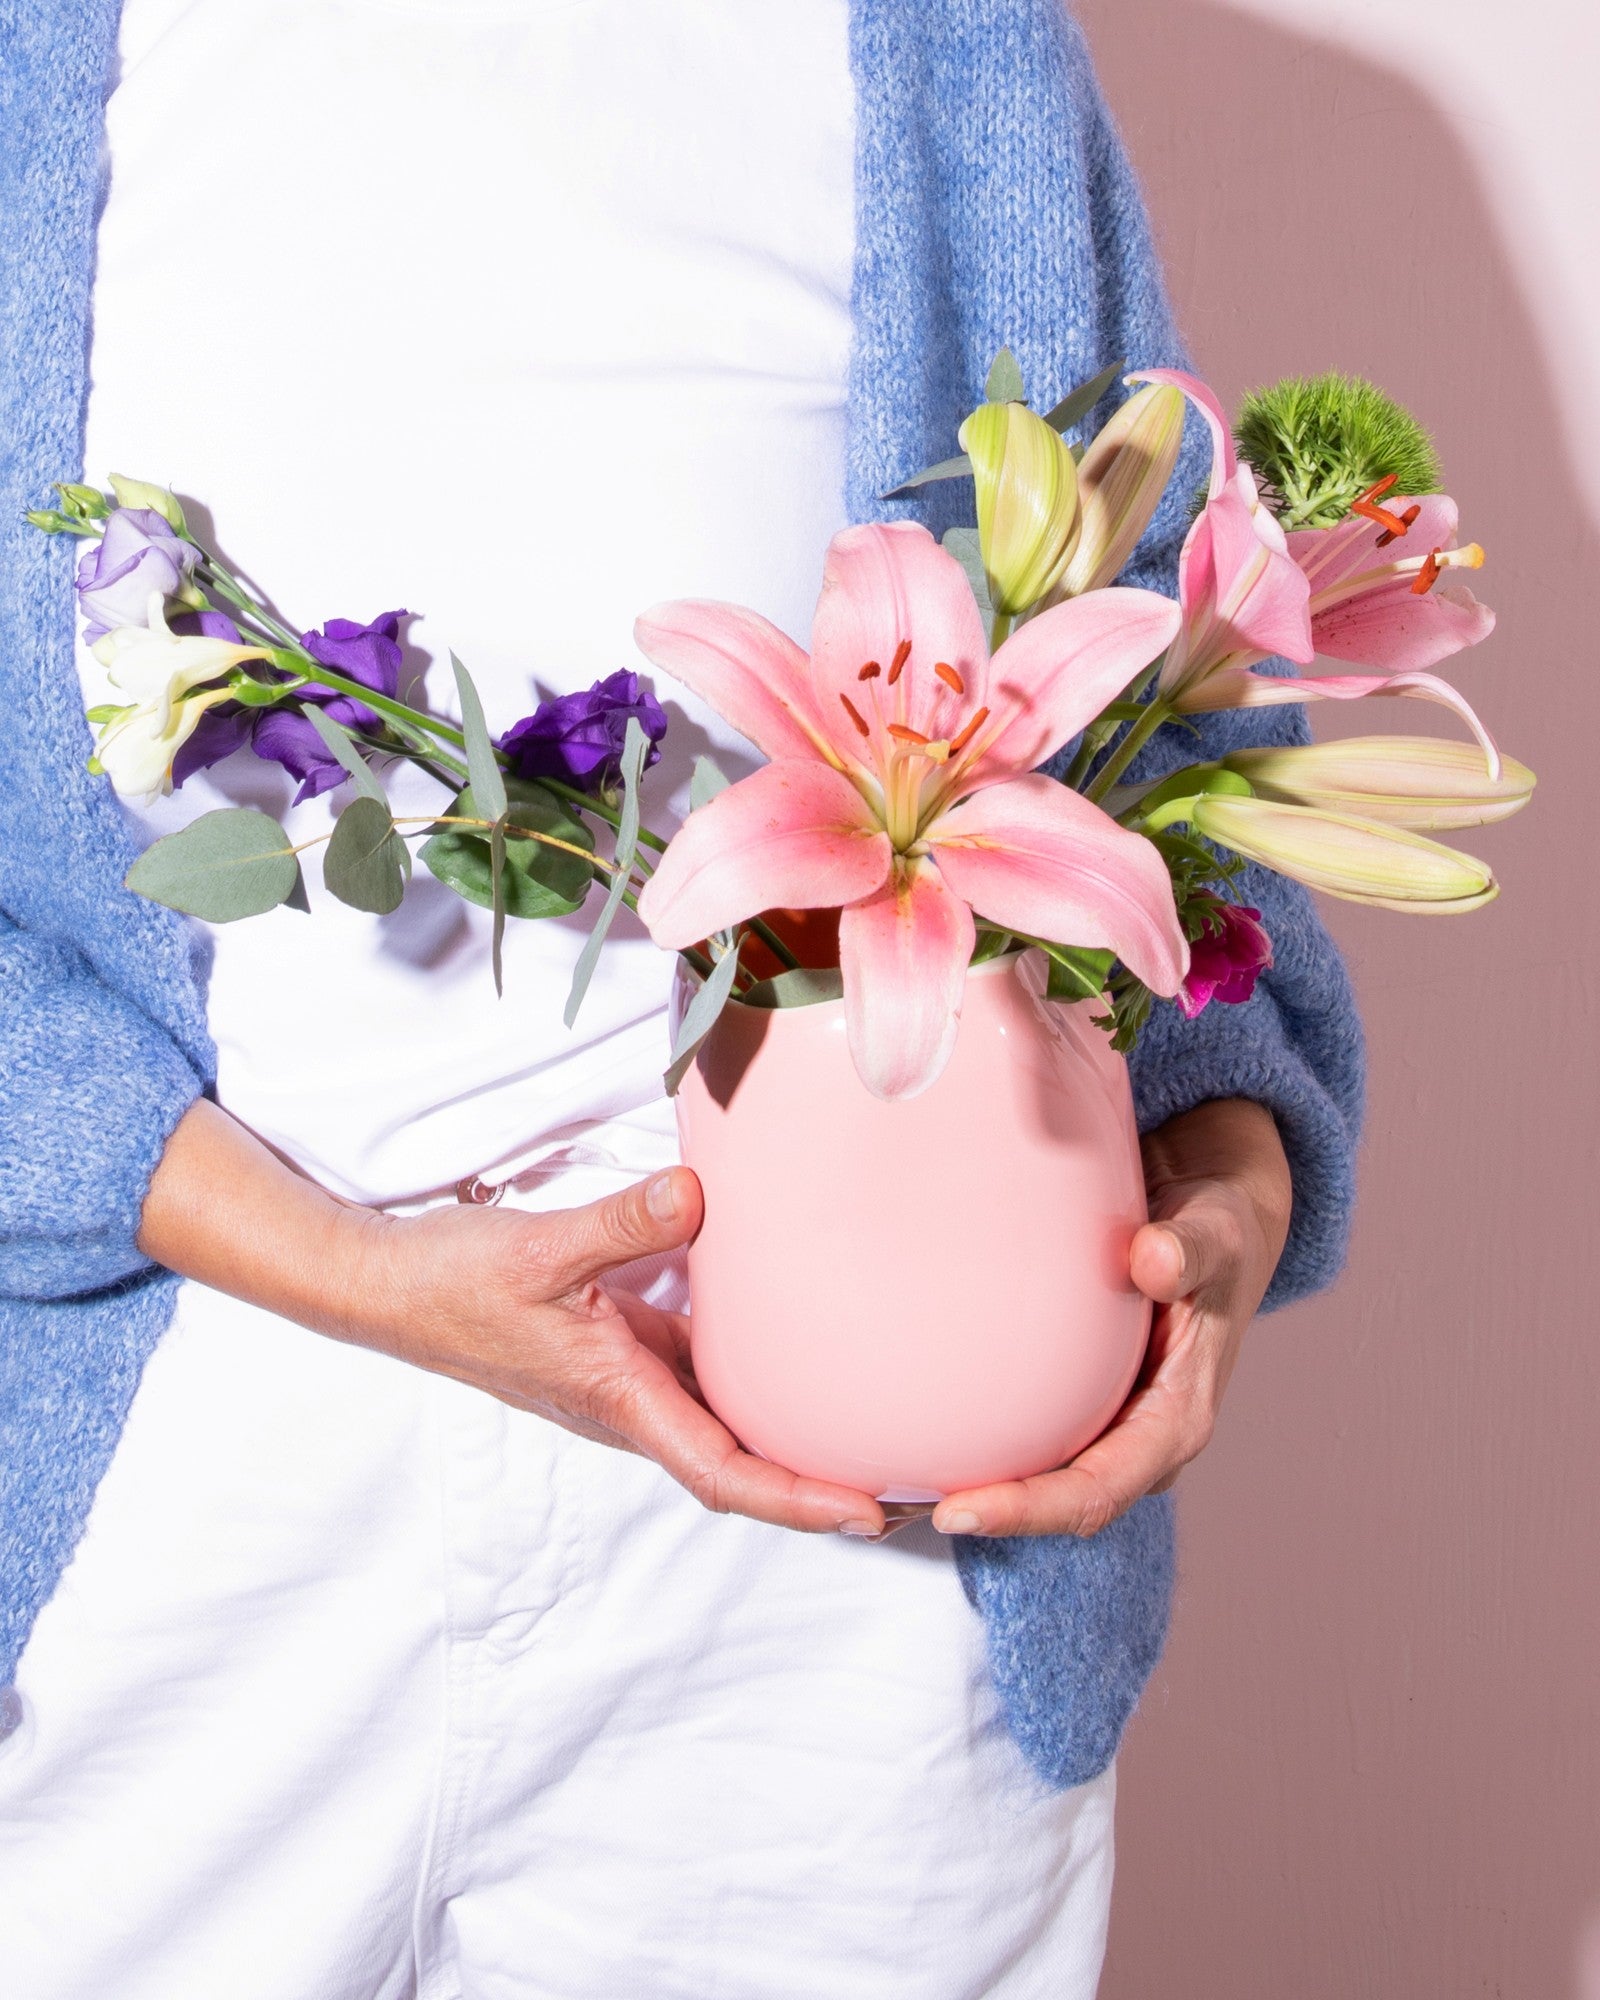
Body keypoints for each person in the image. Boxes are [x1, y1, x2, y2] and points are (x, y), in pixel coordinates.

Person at [0, 2, 1362, 1995]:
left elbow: (1153, 709)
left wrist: (1216, 1190)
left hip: (856, 1559)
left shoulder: (948, 48)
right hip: (194, 1485)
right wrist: (353, 1272)